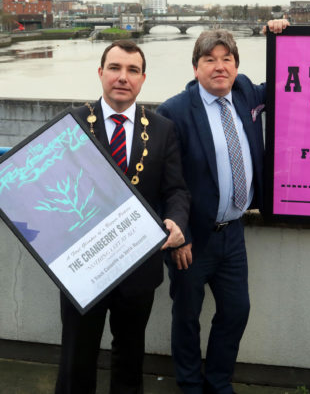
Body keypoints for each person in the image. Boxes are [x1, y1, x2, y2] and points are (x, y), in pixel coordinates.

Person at [157, 20, 288, 394]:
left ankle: (217, 382)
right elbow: (167, 182)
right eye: (210, 59)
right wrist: (178, 236)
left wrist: (281, 35)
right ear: (195, 67)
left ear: (236, 65)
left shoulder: (245, 93)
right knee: (187, 317)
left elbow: (284, 84)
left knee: (236, 312)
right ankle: (189, 385)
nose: (220, 67)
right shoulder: (175, 111)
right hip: (191, 239)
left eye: (227, 59)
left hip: (233, 234)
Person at [55, 40, 190, 394]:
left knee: (130, 359)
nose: (122, 77)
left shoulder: (162, 129)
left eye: (132, 70)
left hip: (138, 266)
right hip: (81, 268)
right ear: (100, 73)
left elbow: (176, 189)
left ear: (143, 79)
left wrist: (177, 221)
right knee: (75, 359)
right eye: (114, 68)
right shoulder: (70, 124)